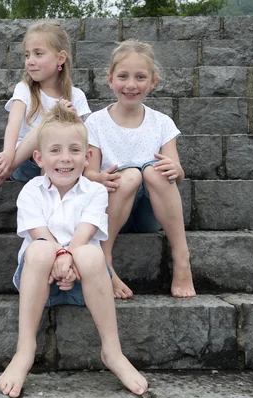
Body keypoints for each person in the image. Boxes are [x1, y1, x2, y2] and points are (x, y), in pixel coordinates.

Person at [0, 102, 148, 398]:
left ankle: (112, 351)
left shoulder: (94, 191)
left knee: (91, 252)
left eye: (74, 150)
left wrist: (69, 258)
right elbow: (39, 233)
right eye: (55, 150)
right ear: (38, 158)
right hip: (41, 280)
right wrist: (60, 257)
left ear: (87, 156)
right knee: (40, 249)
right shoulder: (31, 191)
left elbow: (85, 233)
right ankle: (25, 351)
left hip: (85, 281)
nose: (65, 159)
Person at [84, 40, 196, 299]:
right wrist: (99, 178)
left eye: (140, 77)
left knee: (154, 171)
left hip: (150, 212)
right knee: (131, 173)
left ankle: (181, 259)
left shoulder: (161, 123)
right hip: (112, 206)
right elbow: (88, 173)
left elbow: (177, 173)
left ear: (152, 82)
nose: (131, 85)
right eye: (123, 76)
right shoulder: (96, 123)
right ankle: (105, 259)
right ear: (110, 79)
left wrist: (175, 169)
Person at [0, 20, 91, 186]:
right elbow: (13, 123)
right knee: (46, 126)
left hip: (61, 161)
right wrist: (8, 154)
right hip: (25, 161)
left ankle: (48, 201)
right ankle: (7, 170)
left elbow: (81, 139)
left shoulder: (77, 95)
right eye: (27, 55)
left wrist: (72, 118)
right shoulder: (24, 89)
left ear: (60, 58)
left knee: (58, 129)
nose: (30, 61)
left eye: (38, 54)